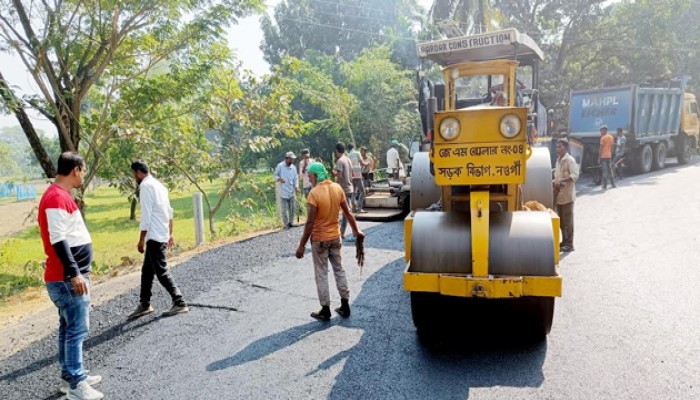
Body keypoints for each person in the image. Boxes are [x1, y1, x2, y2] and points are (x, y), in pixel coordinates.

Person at [39, 152, 104, 400]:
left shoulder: (59, 195)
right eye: (84, 169)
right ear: (76, 169)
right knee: (76, 329)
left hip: (66, 277)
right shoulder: (56, 197)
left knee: (68, 329)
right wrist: (75, 272)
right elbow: (58, 238)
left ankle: (71, 377)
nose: (84, 174)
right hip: (67, 278)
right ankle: (77, 385)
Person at [295, 162, 365, 321]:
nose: (309, 178)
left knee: (321, 273)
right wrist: (356, 230)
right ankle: (345, 305)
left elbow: (310, 223)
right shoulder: (337, 188)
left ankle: (325, 309)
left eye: (310, 175)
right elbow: (348, 213)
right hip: (335, 237)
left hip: (320, 240)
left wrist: (301, 246)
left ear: (315, 175)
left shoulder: (314, 194)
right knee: (339, 269)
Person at [127, 160, 189, 320]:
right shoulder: (159, 186)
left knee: (161, 270)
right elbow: (169, 212)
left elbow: (146, 216)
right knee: (147, 271)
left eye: (134, 174)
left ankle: (179, 301)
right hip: (161, 233)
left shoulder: (146, 186)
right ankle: (145, 304)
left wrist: (141, 239)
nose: (135, 178)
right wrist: (170, 233)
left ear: (139, 172)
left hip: (154, 235)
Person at [553, 139, 580, 252]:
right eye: (557, 147)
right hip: (559, 196)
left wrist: (562, 181)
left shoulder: (570, 160)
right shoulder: (558, 161)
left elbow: (575, 175)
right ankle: (564, 241)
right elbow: (556, 176)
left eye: (560, 147)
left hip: (568, 196)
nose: (557, 149)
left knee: (568, 221)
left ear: (565, 148)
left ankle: (569, 244)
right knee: (562, 222)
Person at [334, 143, 354, 240]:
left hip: (343, 189)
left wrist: (335, 186)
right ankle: (341, 232)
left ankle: (347, 232)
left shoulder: (340, 161)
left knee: (342, 211)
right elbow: (351, 173)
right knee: (346, 211)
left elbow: (339, 175)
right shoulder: (348, 159)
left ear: (337, 151)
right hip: (349, 187)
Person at [274, 151, 299, 227]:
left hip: (291, 191)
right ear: (287, 158)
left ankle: (291, 222)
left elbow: (296, 178)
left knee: (292, 208)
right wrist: (279, 179)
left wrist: (297, 187)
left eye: (293, 159)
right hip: (283, 191)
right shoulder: (280, 166)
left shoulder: (293, 167)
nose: (292, 161)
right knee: (284, 210)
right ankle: (286, 224)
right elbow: (275, 175)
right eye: (291, 159)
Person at [346, 143, 366, 213]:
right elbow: (362, 162)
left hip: (351, 175)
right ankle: (359, 208)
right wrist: (366, 164)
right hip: (357, 174)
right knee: (362, 191)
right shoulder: (357, 153)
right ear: (353, 147)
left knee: (353, 191)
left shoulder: (348, 155)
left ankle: (354, 207)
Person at [598, 125, 616, 189]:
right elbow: (613, 146)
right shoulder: (611, 137)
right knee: (610, 170)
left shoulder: (602, 138)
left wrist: (599, 158)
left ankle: (605, 185)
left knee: (604, 171)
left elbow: (600, 149)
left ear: (604, 130)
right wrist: (611, 153)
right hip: (609, 156)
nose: (600, 132)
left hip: (603, 157)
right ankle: (613, 184)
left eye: (601, 130)